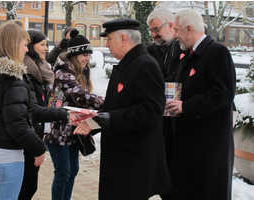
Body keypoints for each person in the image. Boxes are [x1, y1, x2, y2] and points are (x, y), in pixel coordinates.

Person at [74, 18, 171, 200]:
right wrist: (93, 121)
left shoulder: (145, 65)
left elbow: (152, 109)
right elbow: (117, 106)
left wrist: (109, 119)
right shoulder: (128, 65)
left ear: (123, 39)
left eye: (109, 39)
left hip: (133, 162)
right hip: (122, 156)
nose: (107, 45)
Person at [165, 9, 236, 200]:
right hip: (189, 147)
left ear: (189, 28)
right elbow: (178, 83)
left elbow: (224, 93)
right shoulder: (188, 55)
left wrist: (186, 106)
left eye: (177, 30)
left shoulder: (217, 52)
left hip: (208, 149)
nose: (175, 35)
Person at [0, 21, 46, 200]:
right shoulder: (14, 78)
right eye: (24, 45)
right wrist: (39, 148)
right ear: (13, 45)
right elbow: (17, 124)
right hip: (7, 156)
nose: (26, 50)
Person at [44, 29, 104, 200]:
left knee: (72, 171)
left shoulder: (79, 72)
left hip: (71, 130)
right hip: (56, 130)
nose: (87, 59)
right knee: (63, 172)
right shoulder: (63, 73)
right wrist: (113, 100)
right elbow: (82, 97)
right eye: (85, 54)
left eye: (89, 55)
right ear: (75, 54)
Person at [18, 30, 72, 200]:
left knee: (29, 185)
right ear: (30, 46)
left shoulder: (42, 69)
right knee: (26, 186)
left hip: (38, 130)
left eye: (47, 44)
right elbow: (33, 109)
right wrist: (63, 114)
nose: (46, 48)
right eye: (42, 44)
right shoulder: (25, 72)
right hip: (27, 133)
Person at [146, 8, 186, 200]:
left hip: (183, 120)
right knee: (162, 171)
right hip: (159, 120)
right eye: (151, 31)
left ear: (171, 25)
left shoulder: (186, 48)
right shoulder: (149, 52)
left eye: (156, 29)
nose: (154, 34)